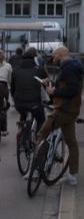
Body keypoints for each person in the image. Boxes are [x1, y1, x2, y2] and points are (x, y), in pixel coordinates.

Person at [36, 46, 83, 186]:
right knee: (71, 142)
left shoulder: (69, 68)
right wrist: (50, 83)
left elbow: (71, 89)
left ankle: (37, 170)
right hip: (71, 110)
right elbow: (66, 85)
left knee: (42, 133)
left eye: (55, 55)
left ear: (61, 54)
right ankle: (72, 175)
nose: (54, 58)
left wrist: (54, 91)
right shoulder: (72, 66)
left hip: (63, 109)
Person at [11, 47, 48, 132]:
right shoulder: (39, 70)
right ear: (34, 58)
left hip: (19, 103)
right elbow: (46, 82)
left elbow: (13, 88)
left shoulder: (16, 70)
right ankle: (38, 139)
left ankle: (21, 129)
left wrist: (14, 97)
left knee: (23, 113)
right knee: (40, 119)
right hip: (35, 102)